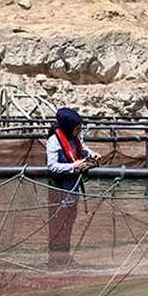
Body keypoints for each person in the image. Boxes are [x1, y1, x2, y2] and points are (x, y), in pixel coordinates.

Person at [45, 107, 101, 267]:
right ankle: (54, 260)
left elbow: (83, 148)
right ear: (68, 127)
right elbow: (52, 166)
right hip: (59, 189)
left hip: (73, 188)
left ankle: (65, 257)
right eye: (77, 128)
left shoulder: (76, 136)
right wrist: (73, 166)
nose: (79, 131)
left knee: (68, 223)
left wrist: (92, 154)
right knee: (57, 225)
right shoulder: (54, 140)